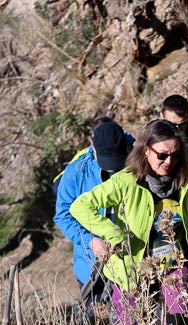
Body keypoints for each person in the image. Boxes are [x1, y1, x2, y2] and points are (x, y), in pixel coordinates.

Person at [69, 119, 188, 325]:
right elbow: (80, 206)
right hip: (132, 269)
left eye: (175, 155)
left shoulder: (185, 177)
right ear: (146, 150)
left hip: (173, 265)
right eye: (162, 155)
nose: (169, 161)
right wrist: (113, 234)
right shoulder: (126, 181)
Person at [53, 117, 132, 296]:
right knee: (95, 312)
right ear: (93, 146)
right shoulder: (76, 171)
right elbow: (63, 215)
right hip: (90, 265)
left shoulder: (138, 160)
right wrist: (90, 241)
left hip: (131, 262)